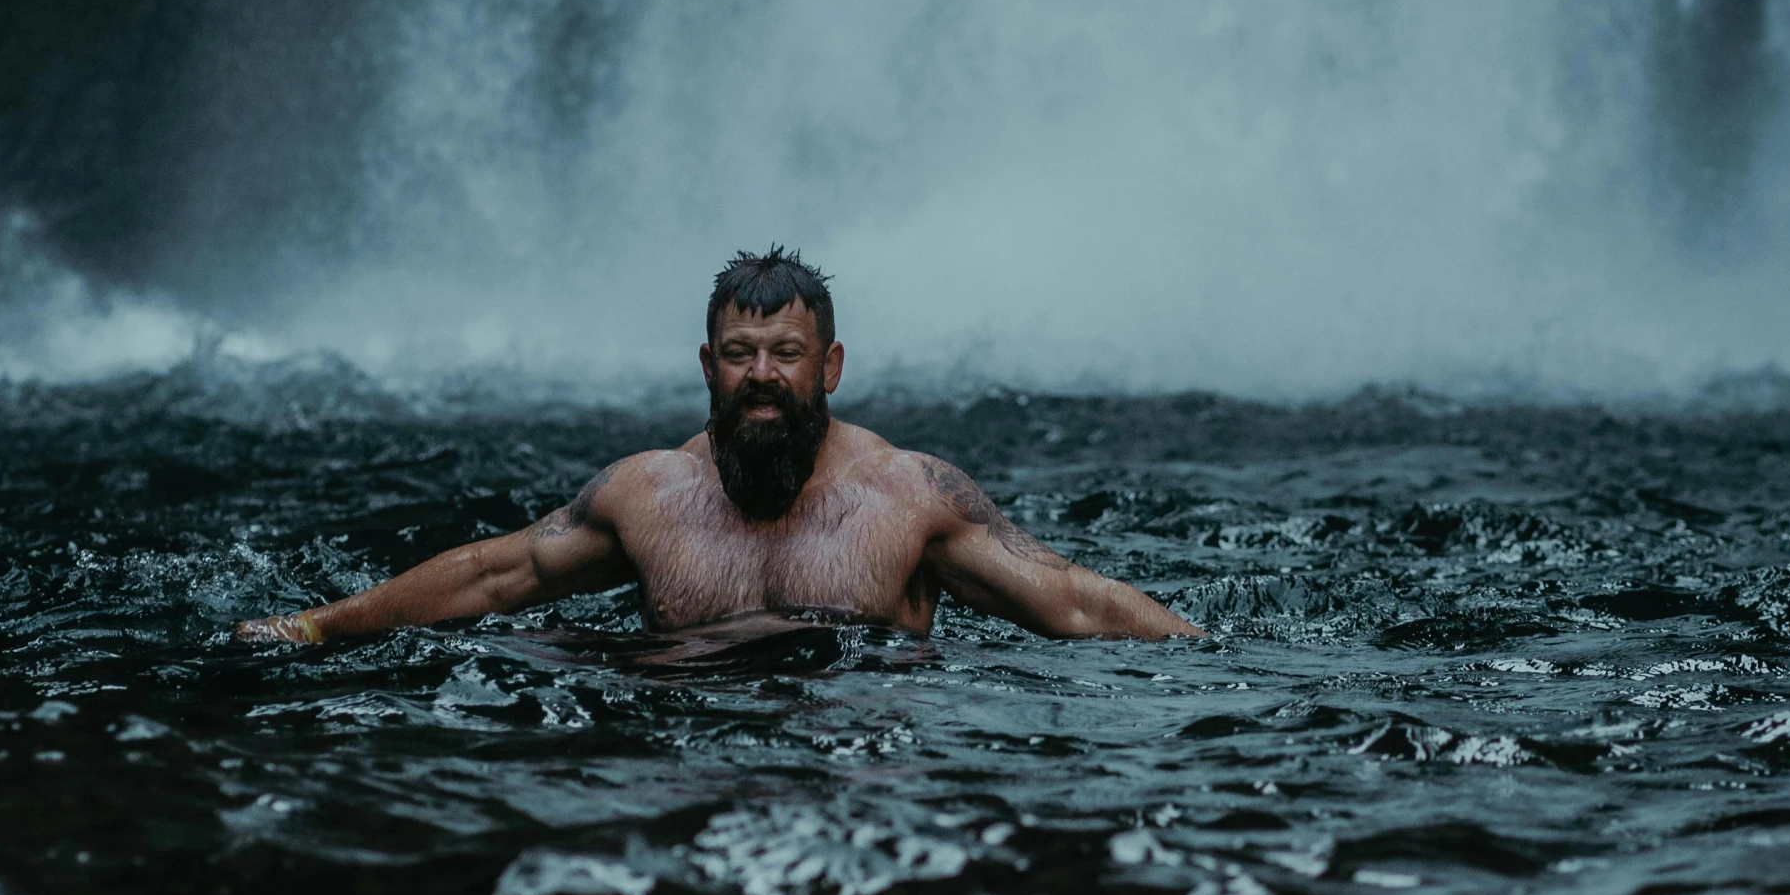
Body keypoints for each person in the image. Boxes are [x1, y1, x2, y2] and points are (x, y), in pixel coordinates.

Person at [234, 250, 1202, 646]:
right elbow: (496, 575)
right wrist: (319, 628)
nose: (763, 375)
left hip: (863, 795)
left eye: (786, 354)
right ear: (707, 366)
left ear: (830, 366)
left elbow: (1070, 597)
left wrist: (1212, 658)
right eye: (740, 355)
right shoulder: (647, 494)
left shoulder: (911, 497)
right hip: (688, 778)